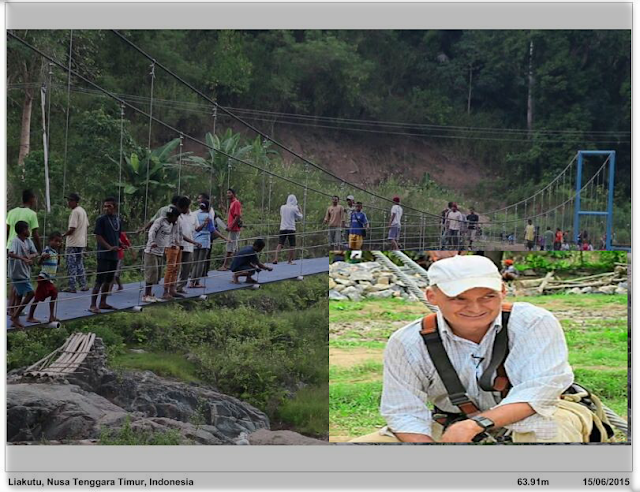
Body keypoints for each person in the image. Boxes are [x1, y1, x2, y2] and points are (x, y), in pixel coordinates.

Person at [351, 255, 612, 443]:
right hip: (451, 423)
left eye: (487, 297)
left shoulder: (533, 322)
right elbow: (404, 411)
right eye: (458, 298)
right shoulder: (407, 342)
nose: (475, 309)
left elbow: (539, 391)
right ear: (432, 297)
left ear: (503, 291)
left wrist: (477, 424)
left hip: (542, 412)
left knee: (545, 431)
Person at [89, 198, 121, 313]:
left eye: (109, 206)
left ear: (115, 207)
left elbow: (117, 235)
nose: (106, 208)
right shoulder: (101, 220)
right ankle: (93, 305)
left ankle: (103, 302)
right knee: (99, 280)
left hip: (114, 255)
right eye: (105, 206)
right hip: (103, 255)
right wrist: (109, 247)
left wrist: (120, 244)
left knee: (109, 279)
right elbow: (98, 236)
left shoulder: (117, 219)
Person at [27, 231, 62, 324]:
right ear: (50, 241)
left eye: (59, 241)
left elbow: (58, 264)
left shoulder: (55, 252)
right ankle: (30, 316)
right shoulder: (46, 250)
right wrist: (43, 257)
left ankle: (51, 316)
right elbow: (39, 263)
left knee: (54, 293)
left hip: (49, 279)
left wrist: (59, 253)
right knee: (37, 297)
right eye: (56, 241)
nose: (58, 243)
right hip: (43, 278)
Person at [191, 201, 229, 288]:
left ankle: (191, 282)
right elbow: (213, 230)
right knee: (201, 263)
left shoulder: (195, 215)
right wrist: (225, 238)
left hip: (196, 240)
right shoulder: (208, 217)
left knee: (195, 263)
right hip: (204, 241)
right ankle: (197, 282)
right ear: (208, 208)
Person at [8, 221, 38, 328]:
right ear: (23, 230)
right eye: (27, 229)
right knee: (31, 293)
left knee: (19, 295)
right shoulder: (15, 241)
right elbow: (10, 253)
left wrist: (30, 257)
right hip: (18, 273)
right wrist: (23, 259)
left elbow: (35, 252)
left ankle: (15, 320)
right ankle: (15, 316)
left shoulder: (28, 241)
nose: (29, 231)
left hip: (25, 272)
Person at [62, 193, 89, 293]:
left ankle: (72, 286)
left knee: (71, 265)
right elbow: (86, 226)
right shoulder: (82, 211)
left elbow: (72, 228)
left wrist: (63, 235)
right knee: (79, 264)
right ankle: (83, 284)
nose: (68, 203)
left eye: (70, 201)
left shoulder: (74, 212)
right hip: (81, 242)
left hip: (72, 243)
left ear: (74, 201)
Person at [176, 198, 201, 293]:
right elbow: (178, 233)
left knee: (186, 268)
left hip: (189, 246)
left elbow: (197, 228)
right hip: (178, 245)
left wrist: (205, 224)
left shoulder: (193, 216)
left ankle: (180, 287)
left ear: (186, 207)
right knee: (175, 268)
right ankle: (172, 287)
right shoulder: (177, 216)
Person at [7, 189, 41, 254]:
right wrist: (39, 249)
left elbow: (7, 231)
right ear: (31, 199)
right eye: (34, 199)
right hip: (24, 248)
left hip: (10, 247)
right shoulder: (32, 214)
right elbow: (35, 234)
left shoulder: (11, 212)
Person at [274, 194, 303, 264]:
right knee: (292, 245)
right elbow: (300, 217)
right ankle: (289, 261)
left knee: (280, 243)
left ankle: (276, 259)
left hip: (283, 227)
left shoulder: (282, 207)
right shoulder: (294, 208)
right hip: (291, 228)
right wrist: (300, 210)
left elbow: (282, 215)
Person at [219, 188, 242, 271]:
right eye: (227, 193)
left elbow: (237, 216)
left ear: (233, 194)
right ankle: (236, 265)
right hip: (232, 228)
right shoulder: (232, 203)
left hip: (234, 229)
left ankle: (225, 266)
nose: (227, 194)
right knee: (233, 247)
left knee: (230, 247)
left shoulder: (236, 203)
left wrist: (231, 226)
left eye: (229, 193)